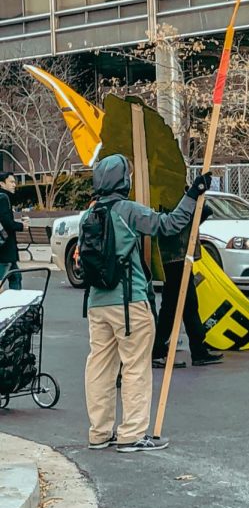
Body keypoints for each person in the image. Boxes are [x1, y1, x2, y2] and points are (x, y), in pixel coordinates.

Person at [81, 155, 208, 452]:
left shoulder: (90, 214)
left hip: (97, 303)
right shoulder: (126, 210)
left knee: (99, 367)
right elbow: (168, 225)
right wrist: (192, 195)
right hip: (129, 302)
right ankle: (132, 433)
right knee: (135, 366)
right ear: (123, 181)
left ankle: (99, 432)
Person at [152, 205, 224, 369]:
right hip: (176, 257)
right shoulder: (174, 203)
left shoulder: (175, 202)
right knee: (173, 307)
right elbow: (202, 212)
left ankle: (196, 349)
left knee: (185, 306)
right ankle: (159, 350)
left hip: (177, 256)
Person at [0, 172, 26, 290]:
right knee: (13, 277)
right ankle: (14, 305)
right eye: (11, 182)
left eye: (14, 182)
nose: (14, 185)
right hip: (5, 248)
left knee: (15, 276)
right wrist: (22, 225)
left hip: (5, 248)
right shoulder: (3, 198)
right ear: (2, 184)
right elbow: (7, 222)